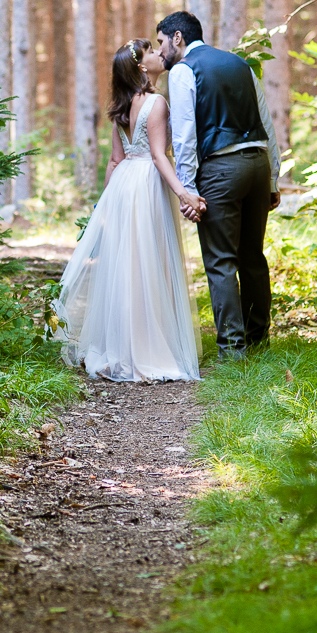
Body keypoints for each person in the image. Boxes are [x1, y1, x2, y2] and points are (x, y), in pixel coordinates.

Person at [52, 39, 203, 382]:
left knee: (127, 266)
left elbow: (115, 160)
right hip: (147, 184)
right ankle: (148, 349)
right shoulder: (156, 103)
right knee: (149, 263)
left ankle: (122, 346)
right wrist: (183, 193)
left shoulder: (119, 107)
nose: (157, 55)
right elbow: (158, 155)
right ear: (140, 66)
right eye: (150, 52)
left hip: (122, 186)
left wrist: (106, 204)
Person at [156, 10, 280, 360]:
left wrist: (188, 189)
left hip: (221, 171)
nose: (161, 51)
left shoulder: (184, 70)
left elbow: (184, 135)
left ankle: (232, 351)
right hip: (257, 164)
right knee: (252, 257)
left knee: (221, 261)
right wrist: (272, 177)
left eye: (162, 42)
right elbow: (265, 123)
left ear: (178, 37)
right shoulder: (240, 64)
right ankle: (259, 342)